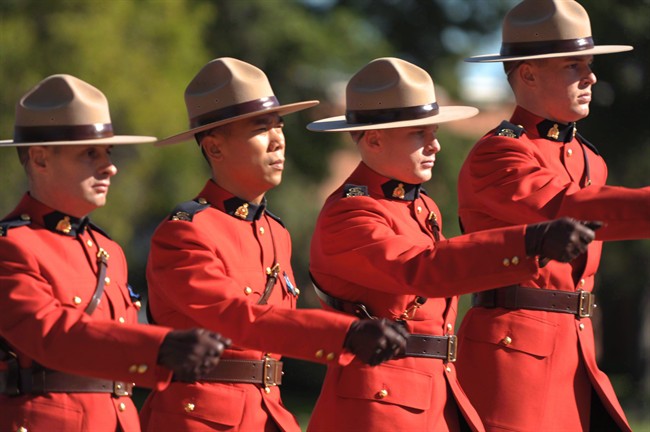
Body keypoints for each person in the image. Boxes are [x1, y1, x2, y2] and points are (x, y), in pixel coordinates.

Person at [305, 56, 602, 432]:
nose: (435, 146)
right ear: (375, 138)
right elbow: (425, 268)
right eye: (419, 134)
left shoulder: (419, 206)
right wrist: (529, 242)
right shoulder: (348, 214)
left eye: (434, 132)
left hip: (432, 397)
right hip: (377, 409)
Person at [140, 57, 409, 432]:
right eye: (260, 127)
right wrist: (343, 334)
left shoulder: (274, 231)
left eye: (279, 125)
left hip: (269, 414)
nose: (278, 139)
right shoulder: (185, 233)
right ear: (215, 148)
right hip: (201, 419)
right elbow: (239, 318)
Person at [455, 1, 650, 431]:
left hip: (575, 349)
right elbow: (573, 209)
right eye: (573, 65)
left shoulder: (587, 158)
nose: (591, 77)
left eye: (590, 63)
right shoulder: (498, 153)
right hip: (513, 356)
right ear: (528, 73)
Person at [0, 74, 231, 432]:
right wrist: (160, 345)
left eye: (108, 152)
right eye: (90, 153)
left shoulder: (108, 250)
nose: (110, 166)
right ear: (40, 158)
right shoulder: (10, 246)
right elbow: (52, 333)